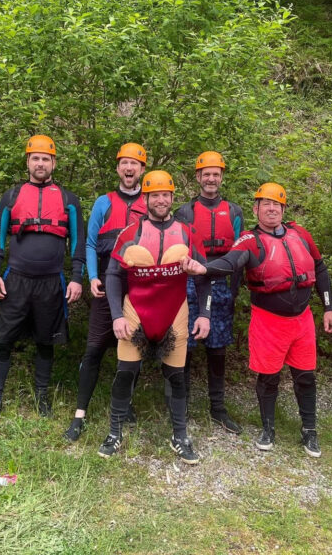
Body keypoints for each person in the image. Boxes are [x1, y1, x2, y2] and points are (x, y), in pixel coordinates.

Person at [183, 182, 332, 457]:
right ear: (255, 209)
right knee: (268, 377)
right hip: (268, 320)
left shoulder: (300, 234)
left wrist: (328, 307)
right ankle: (268, 429)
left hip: (302, 319)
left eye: (276, 204)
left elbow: (320, 267)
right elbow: (230, 263)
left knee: (305, 376)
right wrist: (204, 268)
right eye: (265, 204)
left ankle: (310, 430)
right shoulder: (249, 241)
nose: (271, 208)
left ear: (283, 208)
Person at [97, 170, 211, 465]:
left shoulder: (188, 233)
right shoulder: (129, 233)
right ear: (145, 198)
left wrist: (205, 314)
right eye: (155, 195)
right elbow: (112, 274)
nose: (161, 200)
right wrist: (116, 316)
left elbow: (203, 277)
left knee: (176, 376)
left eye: (166, 194)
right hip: (135, 311)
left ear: (173, 197)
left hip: (175, 313)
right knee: (125, 372)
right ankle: (114, 432)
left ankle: (180, 435)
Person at [0, 134, 85, 422]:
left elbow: (78, 242)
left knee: (45, 341)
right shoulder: (11, 196)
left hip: (51, 282)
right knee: (3, 339)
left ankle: (42, 398)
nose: (40, 163)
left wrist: (76, 277)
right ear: (28, 161)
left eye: (45, 159)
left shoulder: (68, 200)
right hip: (15, 280)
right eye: (35, 158)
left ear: (54, 163)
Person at [64, 143, 147, 442]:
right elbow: (88, 244)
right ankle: (79, 414)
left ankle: (125, 405)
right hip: (104, 286)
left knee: (133, 350)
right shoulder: (104, 202)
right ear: (117, 168)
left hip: (137, 289)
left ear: (141, 170)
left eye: (134, 164)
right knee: (94, 349)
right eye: (124, 163)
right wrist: (93, 277)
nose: (128, 168)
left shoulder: (151, 202)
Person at [173, 151, 244, 434]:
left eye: (216, 174)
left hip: (221, 282)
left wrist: (233, 290)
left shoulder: (235, 211)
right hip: (191, 283)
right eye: (206, 174)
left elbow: (240, 253)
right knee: (187, 348)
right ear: (198, 177)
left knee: (218, 349)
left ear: (221, 176)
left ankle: (218, 408)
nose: (211, 178)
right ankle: (183, 406)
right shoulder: (185, 212)